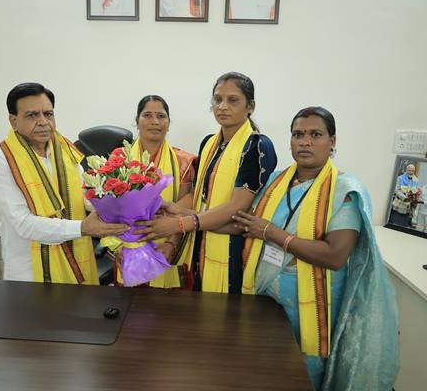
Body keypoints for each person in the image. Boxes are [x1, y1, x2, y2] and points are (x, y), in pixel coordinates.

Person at [231, 107, 399, 390]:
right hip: (264, 298)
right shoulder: (275, 181)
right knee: (262, 372)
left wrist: (272, 232)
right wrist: (185, 221)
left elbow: (335, 255)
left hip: (312, 305)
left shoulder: (344, 190)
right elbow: (246, 223)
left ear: (332, 142)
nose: (305, 142)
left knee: (302, 375)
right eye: (298, 135)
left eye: (315, 135)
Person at [136, 72, 277, 293]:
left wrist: (178, 223)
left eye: (232, 100)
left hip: (234, 250)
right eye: (218, 100)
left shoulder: (257, 146)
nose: (222, 106)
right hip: (202, 241)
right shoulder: (209, 143)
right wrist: (176, 209)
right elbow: (201, 199)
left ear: (250, 106)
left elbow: (236, 209)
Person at [0, 82, 128, 283]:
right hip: (31, 273)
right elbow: (23, 224)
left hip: (77, 259)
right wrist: (84, 228)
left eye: (48, 114)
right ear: (14, 121)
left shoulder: (64, 151)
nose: (43, 122)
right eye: (32, 115)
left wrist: (118, 208)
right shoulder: (1, 161)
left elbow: (84, 196)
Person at [113, 95, 196, 288]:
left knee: (166, 307)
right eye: (147, 115)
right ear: (137, 121)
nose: (155, 122)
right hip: (127, 250)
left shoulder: (183, 162)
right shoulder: (119, 158)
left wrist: (171, 245)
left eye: (161, 116)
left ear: (169, 122)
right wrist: (117, 246)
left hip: (167, 250)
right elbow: (110, 210)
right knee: (128, 305)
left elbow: (182, 212)